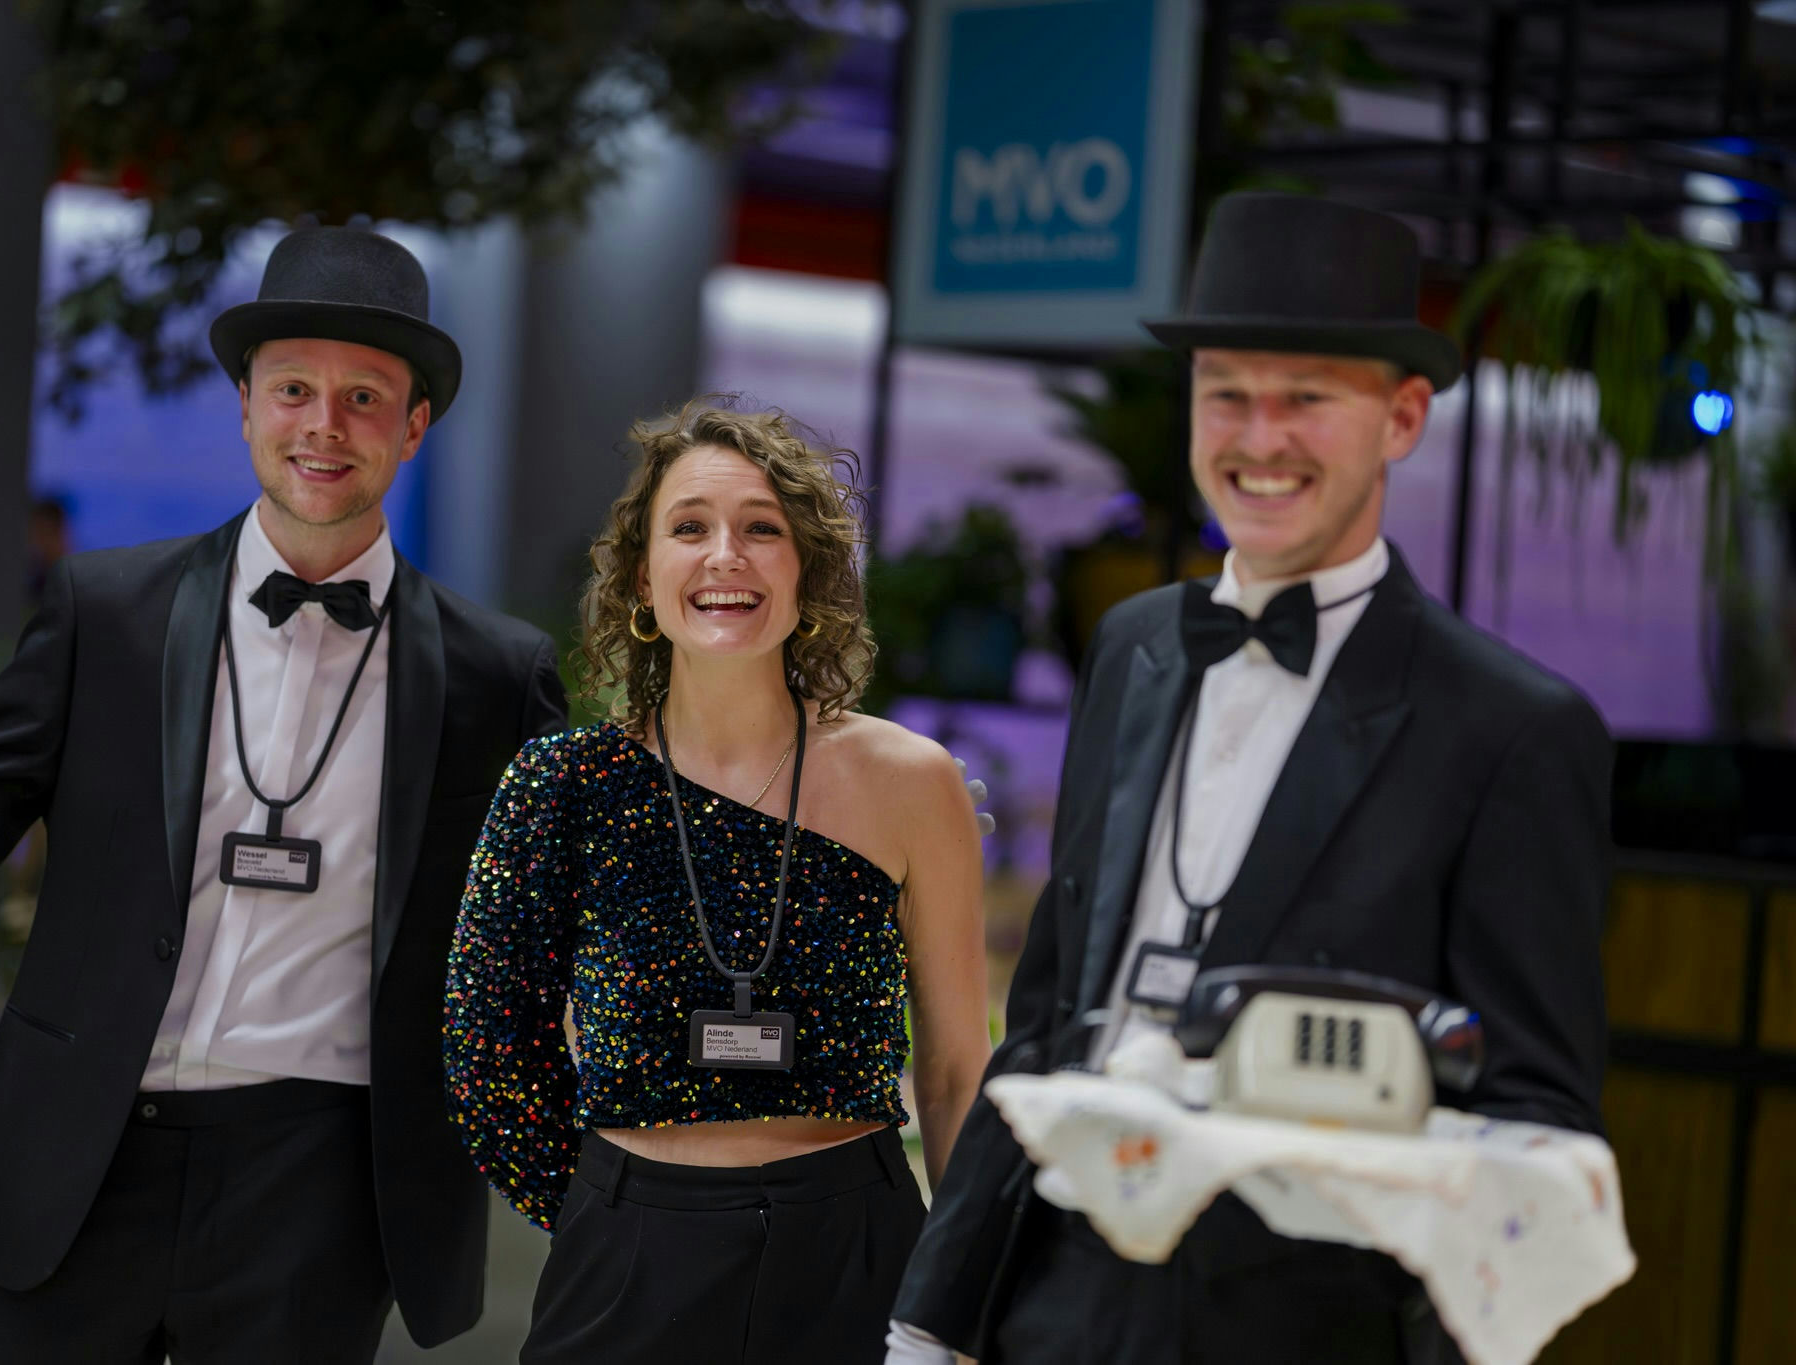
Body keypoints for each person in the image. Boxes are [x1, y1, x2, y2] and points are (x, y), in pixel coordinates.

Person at [0, 227, 566, 1363]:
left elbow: (553, 918)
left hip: (322, 1185)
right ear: (245, 405)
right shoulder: (108, 613)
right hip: (80, 1151)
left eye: (364, 398)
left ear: (414, 425)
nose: (323, 425)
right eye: (293, 389)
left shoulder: (497, 673)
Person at [887, 193, 1614, 1364]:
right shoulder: (1130, 647)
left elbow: (1530, 1125)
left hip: (1304, 1331)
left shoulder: (1510, 731)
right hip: (1052, 1308)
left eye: (1305, 399)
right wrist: (929, 1323)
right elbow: (1045, 1023)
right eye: (1225, 393)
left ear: (1401, 418)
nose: (1258, 437)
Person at [444, 399, 994, 1364]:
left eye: (762, 529)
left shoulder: (914, 781)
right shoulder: (563, 782)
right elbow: (489, 1055)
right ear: (641, 579)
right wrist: (610, 1206)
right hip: (628, 1252)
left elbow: (954, 1069)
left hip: (856, 1245)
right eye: (690, 527)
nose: (725, 555)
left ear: (807, 570)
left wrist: (964, 1300)